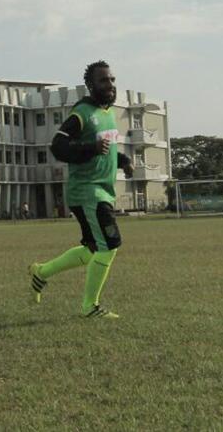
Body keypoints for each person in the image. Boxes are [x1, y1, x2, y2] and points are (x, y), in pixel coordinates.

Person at [28, 60, 133, 319]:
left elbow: (103, 151)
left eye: (112, 80)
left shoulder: (108, 112)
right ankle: (90, 307)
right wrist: (90, 149)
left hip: (100, 191)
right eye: (103, 80)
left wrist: (123, 161)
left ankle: (41, 272)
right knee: (109, 244)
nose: (110, 85)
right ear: (90, 85)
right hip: (87, 192)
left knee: (92, 250)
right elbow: (58, 146)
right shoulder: (82, 113)